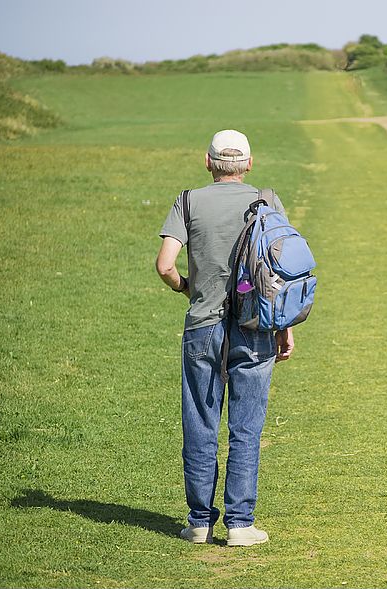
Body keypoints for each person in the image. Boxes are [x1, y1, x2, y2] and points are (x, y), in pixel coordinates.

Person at [155, 129, 294, 547]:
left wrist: (185, 287)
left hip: (202, 326)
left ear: (208, 162)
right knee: (246, 427)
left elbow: (165, 265)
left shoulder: (189, 200)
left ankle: (199, 522)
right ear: (249, 164)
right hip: (256, 327)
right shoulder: (266, 200)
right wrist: (282, 327)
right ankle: (240, 524)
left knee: (200, 422)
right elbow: (279, 273)